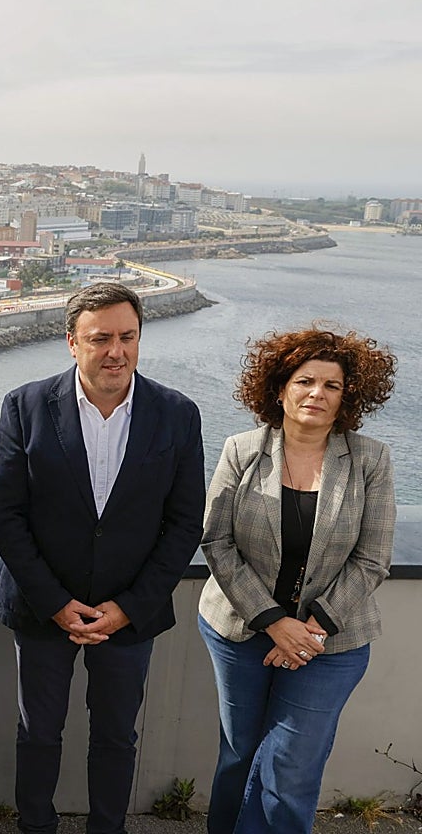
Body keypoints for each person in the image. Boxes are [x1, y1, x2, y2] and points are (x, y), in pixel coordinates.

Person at [0, 282, 205, 834]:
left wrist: (129, 607)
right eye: (100, 338)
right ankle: (36, 826)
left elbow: (183, 525)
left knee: (116, 737)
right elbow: (6, 515)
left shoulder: (178, 414)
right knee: (38, 732)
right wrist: (56, 603)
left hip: (129, 613)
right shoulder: (25, 405)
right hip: (43, 608)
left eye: (127, 337)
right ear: (71, 342)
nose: (116, 351)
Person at [197, 327, 396, 834]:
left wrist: (307, 629)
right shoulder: (241, 449)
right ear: (280, 388)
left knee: (291, 764)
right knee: (239, 754)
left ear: (347, 396)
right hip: (240, 629)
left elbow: (372, 559)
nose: (317, 394)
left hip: (332, 640)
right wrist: (272, 622)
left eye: (332, 385)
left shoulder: (370, 460)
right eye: (305, 381)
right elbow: (216, 541)